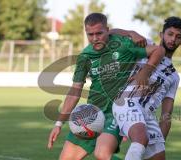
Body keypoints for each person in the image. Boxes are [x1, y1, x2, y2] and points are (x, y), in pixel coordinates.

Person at [47, 12, 165, 160]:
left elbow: (158, 50)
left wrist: (146, 72)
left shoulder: (123, 44)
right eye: (90, 34)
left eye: (99, 33)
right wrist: (59, 123)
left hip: (115, 112)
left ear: (107, 30)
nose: (95, 38)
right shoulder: (85, 56)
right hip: (91, 113)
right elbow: (74, 91)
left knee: (102, 154)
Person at [112, 16, 181, 160]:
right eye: (169, 34)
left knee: (158, 156)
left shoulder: (174, 76)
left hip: (146, 115)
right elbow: (111, 33)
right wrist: (131, 33)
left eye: (178, 37)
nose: (173, 39)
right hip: (126, 102)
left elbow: (166, 115)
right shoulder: (146, 45)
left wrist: (160, 143)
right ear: (161, 35)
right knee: (141, 138)